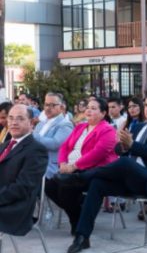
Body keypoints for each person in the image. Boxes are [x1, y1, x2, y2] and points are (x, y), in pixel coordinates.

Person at [57, 92, 147, 253]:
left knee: (124, 162)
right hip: (129, 179)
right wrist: (121, 146)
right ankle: (82, 237)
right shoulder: (140, 126)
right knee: (97, 184)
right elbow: (123, 152)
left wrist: (132, 144)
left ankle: (80, 177)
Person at [46, 97, 117, 235]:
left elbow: (98, 154)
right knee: (50, 187)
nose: (89, 110)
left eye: (94, 108)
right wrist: (62, 163)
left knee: (65, 189)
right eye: (88, 107)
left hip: (93, 170)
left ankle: (75, 220)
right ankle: (80, 212)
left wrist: (73, 166)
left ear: (103, 113)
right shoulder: (80, 127)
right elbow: (64, 147)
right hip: (71, 169)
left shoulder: (108, 130)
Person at [0, 105, 48, 236]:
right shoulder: (4, 146)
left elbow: (23, 187)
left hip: (15, 208)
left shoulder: (36, 150)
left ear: (31, 123)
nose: (14, 122)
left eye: (20, 118)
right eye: (11, 118)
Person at [33, 92, 73, 179]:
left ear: (61, 107)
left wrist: (33, 136)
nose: (48, 108)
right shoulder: (41, 124)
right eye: (46, 104)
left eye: (53, 105)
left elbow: (55, 144)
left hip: (50, 167)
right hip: (35, 163)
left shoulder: (65, 124)